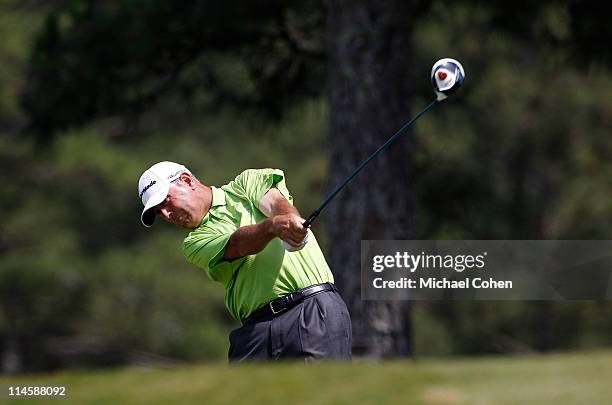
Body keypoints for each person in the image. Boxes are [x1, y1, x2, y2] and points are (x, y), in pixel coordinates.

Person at [138, 161, 352, 361]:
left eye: (165, 201)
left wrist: (289, 221)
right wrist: (272, 227)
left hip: (311, 310)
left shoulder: (246, 183)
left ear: (187, 180)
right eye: (158, 213)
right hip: (255, 332)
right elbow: (239, 245)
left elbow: (276, 203)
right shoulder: (193, 244)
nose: (165, 214)